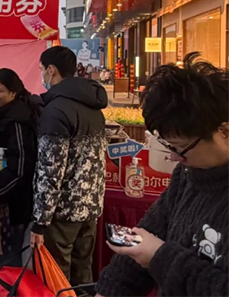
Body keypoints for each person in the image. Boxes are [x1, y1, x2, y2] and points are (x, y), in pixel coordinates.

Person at [95, 53, 229, 297]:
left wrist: (159, 256)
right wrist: (108, 289)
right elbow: (147, 234)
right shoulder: (187, 175)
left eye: (181, 148)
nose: (175, 158)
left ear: (224, 131)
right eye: (169, 147)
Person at [31, 46, 107, 286]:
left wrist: (40, 221)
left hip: (63, 213)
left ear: (51, 70)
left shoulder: (56, 110)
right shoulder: (94, 106)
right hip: (90, 207)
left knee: (57, 278)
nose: (42, 75)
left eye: (42, 70)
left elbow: (50, 170)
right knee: (83, 273)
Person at [0, 68, 41, 265]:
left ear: (13, 93)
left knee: (7, 259)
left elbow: (22, 166)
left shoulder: (18, 121)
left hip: (12, 204)